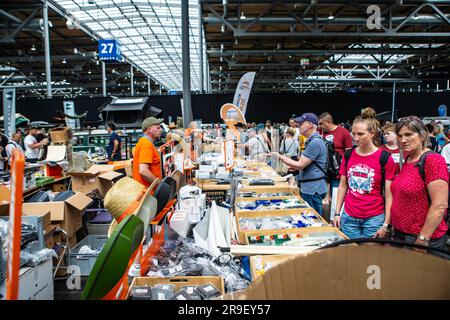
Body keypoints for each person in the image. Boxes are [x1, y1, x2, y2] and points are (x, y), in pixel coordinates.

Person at [334, 109, 396, 239]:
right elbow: (343, 186)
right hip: (349, 216)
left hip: (374, 218)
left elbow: (390, 194)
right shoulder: (348, 154)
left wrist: (386, 224)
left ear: (372, 133)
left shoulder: (384, 158)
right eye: (354, 133)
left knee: (371, 255)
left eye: (361, 134)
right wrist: (337, 212)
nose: (356, 138)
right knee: (351, 254)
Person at [391, 116, 448, 250]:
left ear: (422, 136)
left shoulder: (433, 160)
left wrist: (422, 238)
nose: (403, 140)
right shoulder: (409, 158)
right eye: (400, 135)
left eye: (408, 134)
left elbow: (440, 205)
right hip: (402, 235)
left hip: (420, 239)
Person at [272, 113, 328, 216]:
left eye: (301, 123)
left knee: (314, 220)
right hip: (311, 187)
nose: (298, 125)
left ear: (310, 124)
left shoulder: (315, 142)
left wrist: (279, 156)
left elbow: (300, 165)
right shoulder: (312, 140)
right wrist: (297, 169)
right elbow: (306, 164)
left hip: (312, 188)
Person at [318, 112, 354, 204]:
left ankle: (335, 215)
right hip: (323, 171)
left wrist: (346, 168)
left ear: (328, 122)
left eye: (321, 123)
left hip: (337, 171)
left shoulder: (343, 132)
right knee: (323, 198)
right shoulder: (319, 133)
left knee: (336, 197)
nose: (320, 126)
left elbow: (349, 152)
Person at [132, 117, 163, 187]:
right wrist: (160, 184)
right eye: (158, 128)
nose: (161, 130)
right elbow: (143, 171)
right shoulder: (146, 144)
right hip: (147, 193)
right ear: (149, 129)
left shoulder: (144, 142)